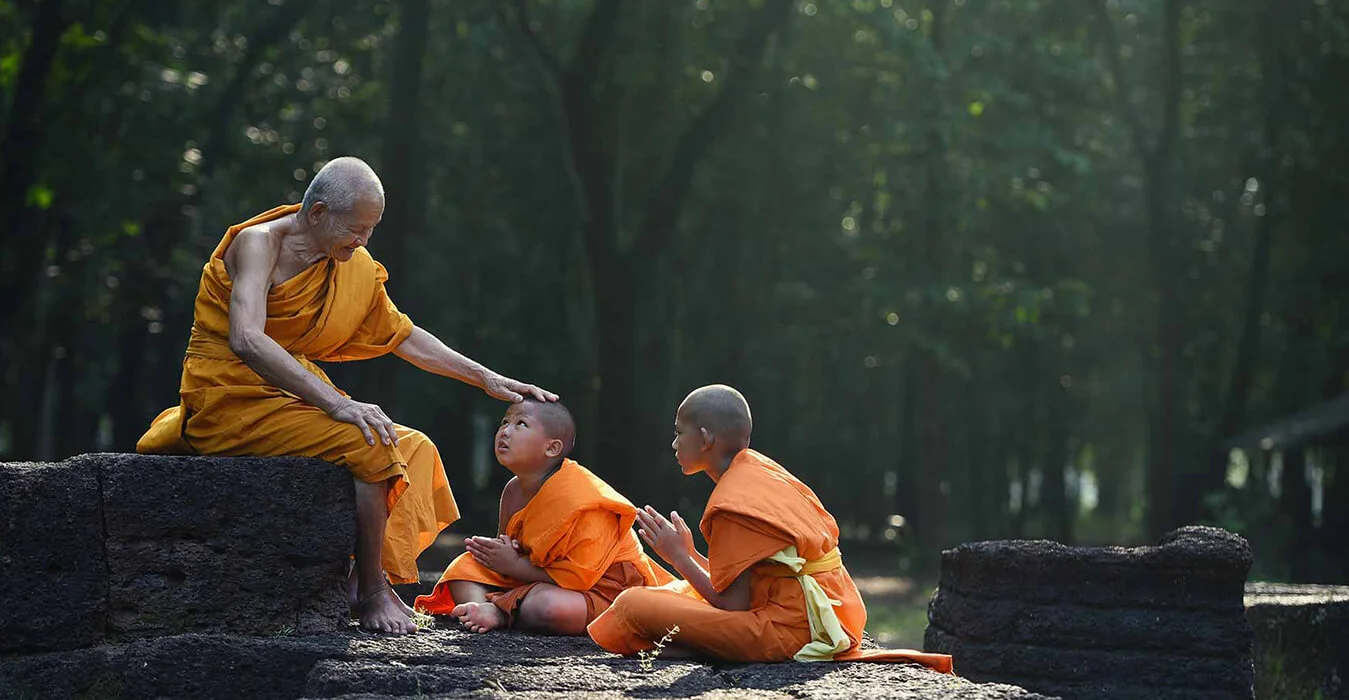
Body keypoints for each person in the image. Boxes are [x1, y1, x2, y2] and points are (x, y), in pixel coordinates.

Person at [137, 156, 556, 635]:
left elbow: (402, 335)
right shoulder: (259, 244)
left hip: (291, 390)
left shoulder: (348, 265)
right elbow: (247, 339)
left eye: (371, 230)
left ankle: (358, 581)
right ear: (316, 214)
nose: (362, 242)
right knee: (371, 442)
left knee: (413, 446)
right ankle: (376, 592)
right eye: (355, 229)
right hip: (229, 394)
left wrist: (484, 377)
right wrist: (337, 404)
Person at [586, 385, 952, 671]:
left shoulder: (730, 503)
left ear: (705, 438)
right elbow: (757, 575)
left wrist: (678, 556)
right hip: (838, 614)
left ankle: (705, 646)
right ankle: (702, 644)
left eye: (680, 432)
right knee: (676, 591)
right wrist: (693, 554)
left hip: (792, 632)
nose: (674, 443)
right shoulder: (762, 471)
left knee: (634, 603)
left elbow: (733, 604)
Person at [415, 399, 673, 634]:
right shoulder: (514, 490)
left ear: (552, 448)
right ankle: (477, 607)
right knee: (465, 566)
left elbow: (578, 578)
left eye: (521, 424)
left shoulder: (582, 498)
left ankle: (500, 612)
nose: (505, 431)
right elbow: (509, 551)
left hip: (602, 590)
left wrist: (513, 565)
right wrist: (502, 553)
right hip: (536, 578)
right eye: (505, 422)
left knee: (546, 607)